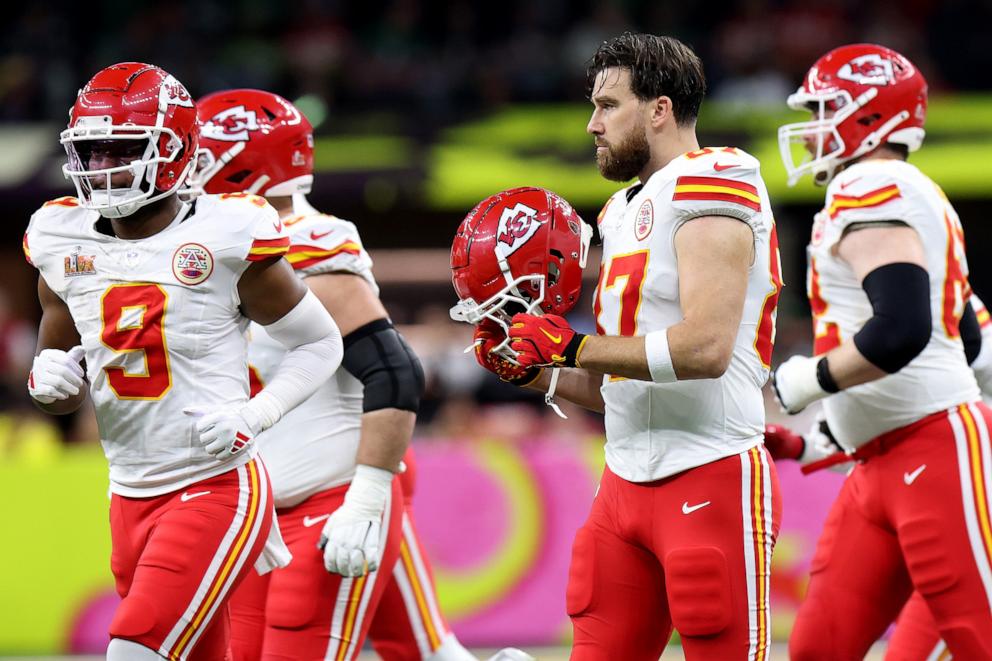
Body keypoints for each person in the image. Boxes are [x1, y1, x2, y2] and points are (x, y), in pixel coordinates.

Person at [453, 33, 782, 660]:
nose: (591, 123)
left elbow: (705, 349)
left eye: (608, 105)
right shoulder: (618, 210)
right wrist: (537, 372)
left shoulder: (716, 178)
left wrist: (571, 347)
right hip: (624, 480)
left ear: (658, 109)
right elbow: (622, 386)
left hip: (710, 470)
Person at [24, 63, 343, 660]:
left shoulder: (226, 234)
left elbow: (321, 342)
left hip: (215, 484)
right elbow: (61, 367)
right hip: (127, 492)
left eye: (119, 150)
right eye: (89, 152)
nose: (102, 169)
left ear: (173, 152)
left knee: (135, 649)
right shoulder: (59, 236)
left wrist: (259, 412)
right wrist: (48, 378)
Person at [194, 89, 496, 661]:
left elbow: (394, 370)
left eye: (200, 157)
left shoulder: (305, 246)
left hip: (327, 496)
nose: (185, 173)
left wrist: (364, 501)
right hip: (265, 509)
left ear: (245, 165)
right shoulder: (216, 248)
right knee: (429, 653)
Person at [772, 43, 992, 659]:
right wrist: (821, 436)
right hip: (882, 461)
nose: (812, 129)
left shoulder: (872, 182)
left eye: (825, 109)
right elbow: (965, 337)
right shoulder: (902, 189)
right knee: (819, 647)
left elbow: (900, 331)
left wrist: (809, 379)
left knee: (979, 639)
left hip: (933, 450)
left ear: (869, 116)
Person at [764, 292, 992, 659]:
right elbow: (879, 428)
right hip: (882, 478)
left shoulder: (933, 294)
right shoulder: (849, 284)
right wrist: (802, 446)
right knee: (818, 646)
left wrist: (811, 378)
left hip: (963, 486)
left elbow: (931, 413)